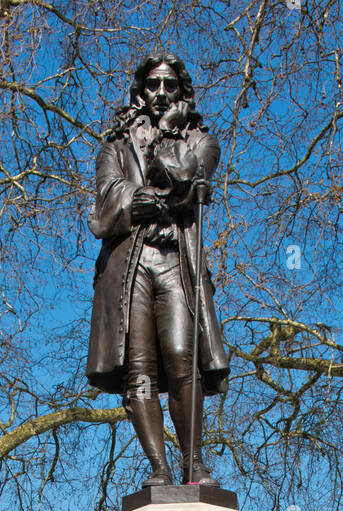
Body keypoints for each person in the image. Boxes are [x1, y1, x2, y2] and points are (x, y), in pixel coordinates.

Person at [85, 52, 229, 486]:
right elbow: (106, 207)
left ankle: (193, 464)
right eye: (153, 85)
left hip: (175, 262)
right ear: (140, 91)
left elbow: (188, 182)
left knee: (184, 357)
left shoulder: (201, 140)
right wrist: (140, 199)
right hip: (128, 267)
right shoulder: (113, 146)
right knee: (140, 368)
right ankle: (159, 469)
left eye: (170, 85)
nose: (161, 93)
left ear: (182, 92)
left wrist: (167, 136)